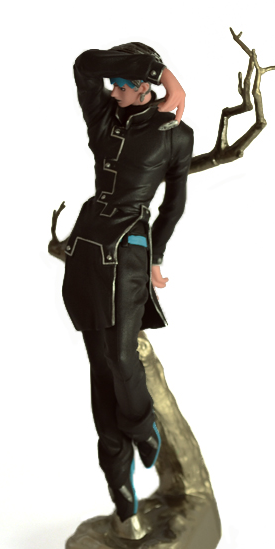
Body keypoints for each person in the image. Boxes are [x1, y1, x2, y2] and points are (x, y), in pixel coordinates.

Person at [62, 42, 194, 521]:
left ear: (143, 89)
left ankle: (142, 427)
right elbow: (84, 64)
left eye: (122, 85)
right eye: (113, 84)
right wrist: (165, 72)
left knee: (121, 357)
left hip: (131, 246)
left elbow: (173, 204)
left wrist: (157, 255)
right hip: (87, 247)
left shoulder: (176, 135)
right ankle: (119, 483)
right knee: (100, 369)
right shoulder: (103, 116)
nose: (113, 91)